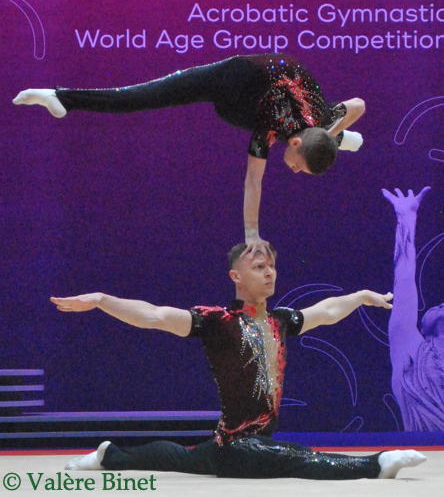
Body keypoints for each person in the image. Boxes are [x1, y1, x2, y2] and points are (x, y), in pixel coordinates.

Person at [50, 244, 426, 479]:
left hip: (238, 443)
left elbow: (326, 311)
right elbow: (154, 315)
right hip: (238, 444)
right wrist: (102, 300)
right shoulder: (218, 322)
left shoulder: (280, 321)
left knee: (181, 458)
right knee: (295, 457)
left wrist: (360, 296)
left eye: (271, 266)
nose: (269, 272)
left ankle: (109, 455)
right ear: (236, 276)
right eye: (259, 267)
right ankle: (375, 464)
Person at [13, 54, 365, 252]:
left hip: (266, 96)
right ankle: (60, 97)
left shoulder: (321, 119)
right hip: (230, 81)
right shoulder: (272, 124)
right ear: (297, 144)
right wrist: (252, 235)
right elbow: (253, 182)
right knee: (143, 96)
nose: (295, 172)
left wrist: (330, 135)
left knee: (325, 129)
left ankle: (340, 139)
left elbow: (358, 104)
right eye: (300, 168)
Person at [382, 186, 444, 430]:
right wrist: (406, 219)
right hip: (424, 444)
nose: (441, 304)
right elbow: (404, 280)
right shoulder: (409, 348)